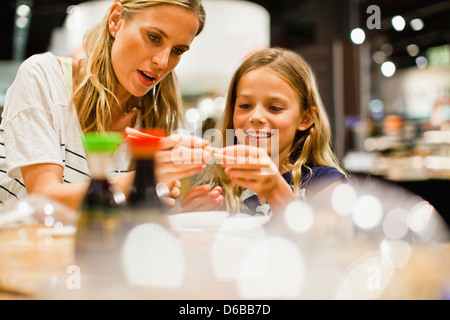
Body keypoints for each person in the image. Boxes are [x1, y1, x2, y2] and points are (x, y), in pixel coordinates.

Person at [0, 0, 211, 209]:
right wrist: (139, 181)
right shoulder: (44, 77)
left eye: (177, 51)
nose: (163, 62)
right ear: (116, 20)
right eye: (154, 37)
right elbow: (43, 199)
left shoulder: (156, 118)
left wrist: (181, 211)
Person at [179, 47, 347, 215]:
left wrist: (276, 192)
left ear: (305, 119)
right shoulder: (218, 189)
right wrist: (185, 218)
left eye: (274, 108)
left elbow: (325, 239)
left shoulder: (325, 183)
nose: (256, 116)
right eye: (245, 106)